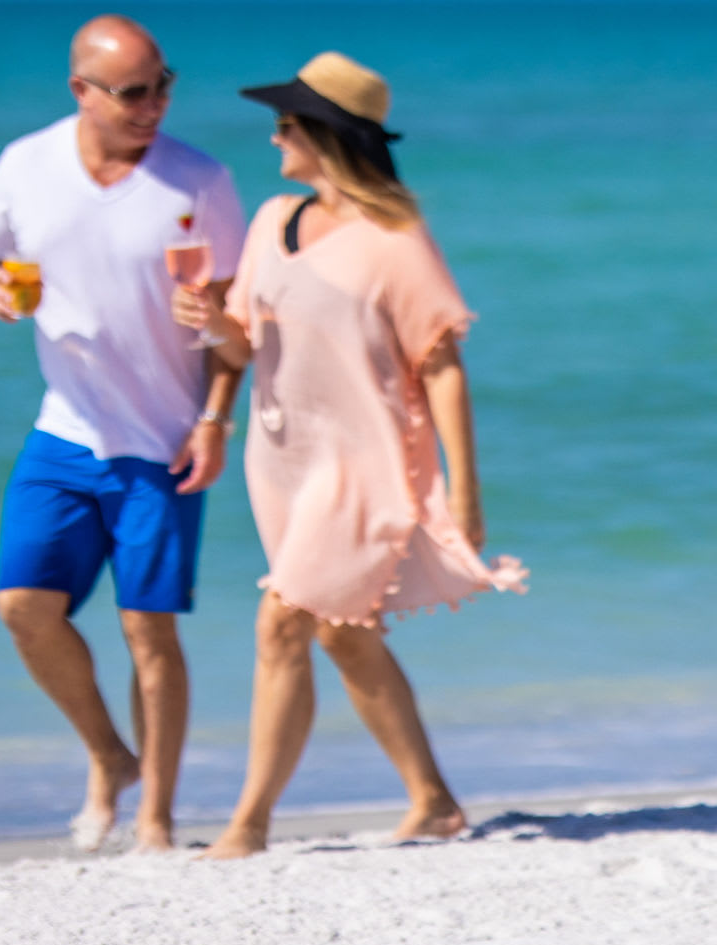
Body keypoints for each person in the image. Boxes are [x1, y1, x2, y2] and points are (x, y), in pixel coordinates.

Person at [177, 53, 524, 858]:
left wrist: (465, 493)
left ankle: (247, 824)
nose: (273, 138)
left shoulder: (395, 240)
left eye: (287, 124)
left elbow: (441, 363)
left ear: (326, 135)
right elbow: (240, 341)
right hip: (283, 465)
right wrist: (205, 319)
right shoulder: (271, 221)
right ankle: (433, 800)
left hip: (364, 468)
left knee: (282, 624)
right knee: (342, 635)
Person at [0, 16, 246, 852]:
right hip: (64, 429)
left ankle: (155, 814)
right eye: (131, 92)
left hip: (162, 441)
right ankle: (108, 757)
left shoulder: (199, 182)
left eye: (163, 85)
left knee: (148, 630)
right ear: (81, 91)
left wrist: (216, 415)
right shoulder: (26, 165)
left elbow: (239, 336)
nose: (153, 105)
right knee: (24, 609)